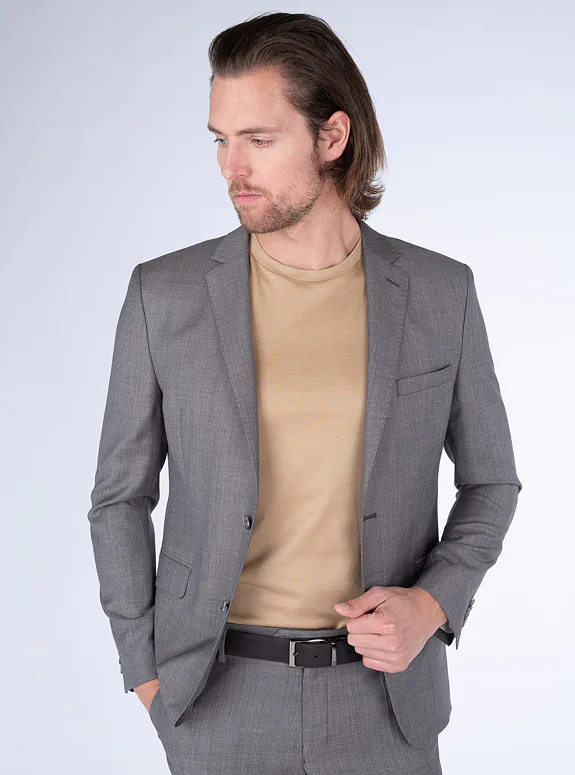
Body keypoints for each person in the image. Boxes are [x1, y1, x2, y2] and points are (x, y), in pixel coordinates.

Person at [87, 11, 522, 775]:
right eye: (220, 139)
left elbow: (491, 482)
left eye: (257, 139)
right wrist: (145, 672)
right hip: (215, 695)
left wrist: (431, 603)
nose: (231, 167)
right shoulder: (165, 294)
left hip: (385, 699)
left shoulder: (438, 292)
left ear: (332, 136)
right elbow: (119, 499)